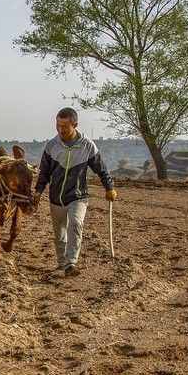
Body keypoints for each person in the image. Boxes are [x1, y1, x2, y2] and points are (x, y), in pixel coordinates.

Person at [33, 107, 117, 276]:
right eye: (58, 126)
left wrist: (110, 188)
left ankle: (71, 262)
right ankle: (62, 264)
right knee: (59, 234)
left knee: (76, 223)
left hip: (78, 196)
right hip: (56, 197)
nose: (60, 130)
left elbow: (101, 169)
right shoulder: (51, 146)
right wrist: (38, 192)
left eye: (65, 126)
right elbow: (44, 173)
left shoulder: (87, 146)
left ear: (75, 124)